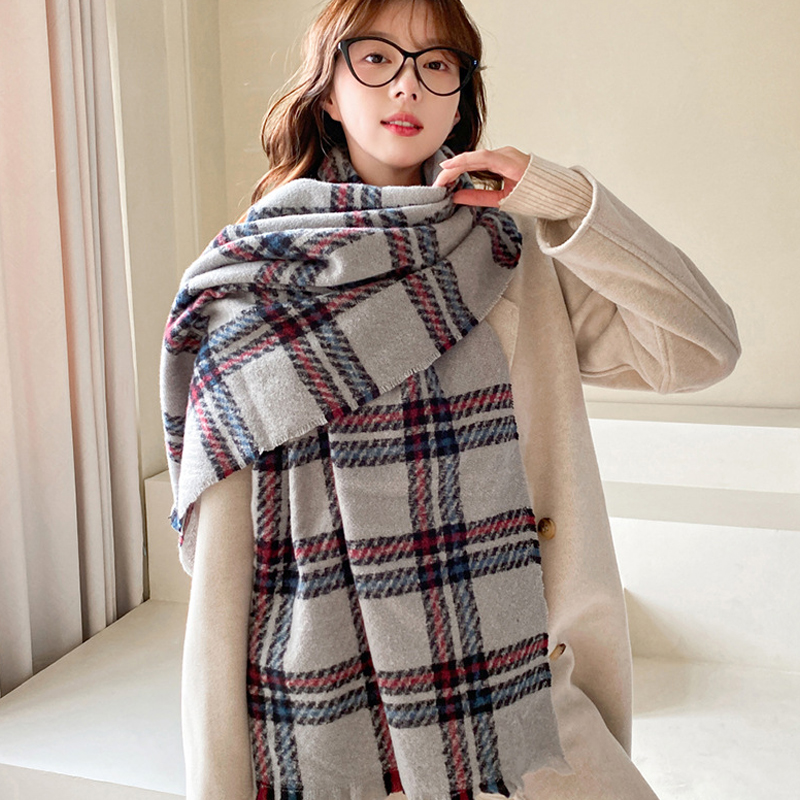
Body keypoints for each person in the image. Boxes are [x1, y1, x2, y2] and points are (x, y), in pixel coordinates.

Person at [160, 1, 741, 799]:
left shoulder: (511, 254)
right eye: (376, 58)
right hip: (331, 726)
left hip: (516, 699)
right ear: (328, 87)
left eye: (436, 64)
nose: (407, 85)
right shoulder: (255, 284)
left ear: (461, 95)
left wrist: (564, 199)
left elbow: (703, 348)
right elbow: (229, 584)